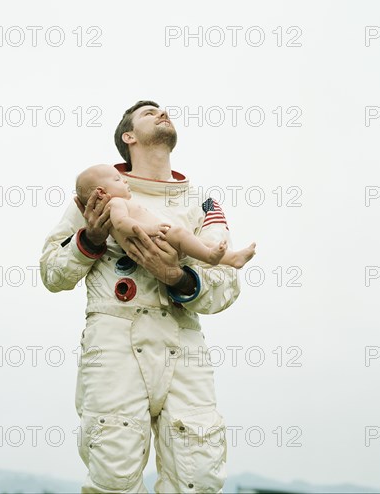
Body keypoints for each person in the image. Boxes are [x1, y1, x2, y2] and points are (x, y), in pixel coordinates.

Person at [40, 100, 243, 494]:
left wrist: (178, 277)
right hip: (114, 336)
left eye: (164, 110)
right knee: (113, 472)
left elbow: (227, 283)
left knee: (197, 474)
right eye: (149, 112)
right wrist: (90, 239)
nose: (162, 113)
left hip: (182, 337)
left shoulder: (202, 204)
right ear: (127, 137)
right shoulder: (97, 196)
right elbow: (51, 272)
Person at [75, 163, 256, 269]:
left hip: (160, 239)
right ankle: (210, 257)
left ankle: (231, 258)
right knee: (183, 234)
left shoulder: (120, 203)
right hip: (156, 238)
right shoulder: (114, 204)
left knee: (195, 239)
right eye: (117, 180)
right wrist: (150, 229)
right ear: (100, 192)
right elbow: (122, 224)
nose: (124, 180)